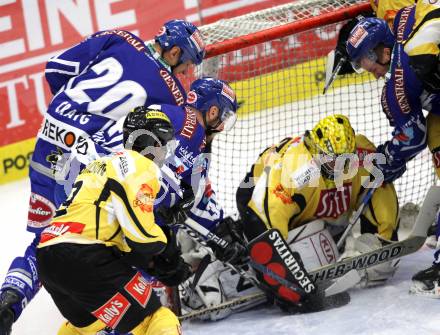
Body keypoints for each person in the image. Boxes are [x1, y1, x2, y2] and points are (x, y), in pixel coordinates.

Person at [0, 19, 206, 335]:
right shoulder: (174, 93)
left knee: (49, 235)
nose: (185, 73)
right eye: (187, 65)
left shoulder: (118, 37)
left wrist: (73, 117)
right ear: (175, 51)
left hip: (48, 146)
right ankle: (116, 323)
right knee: (107, 231)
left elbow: (55, 69)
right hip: (86, 160)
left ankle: (9, 299)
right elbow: (144, 127)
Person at [180, 114, 400, 318]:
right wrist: (294, 288)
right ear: (316, 151)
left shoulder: (362, 155)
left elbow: (379, 186)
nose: (339, 171)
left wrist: (383, 237)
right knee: (271, 259)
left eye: (344, 162)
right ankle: (209, 276)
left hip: (308, 207)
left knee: (321, 247)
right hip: (259, 195)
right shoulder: (295, 172)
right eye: (332, 163)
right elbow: (268, 234)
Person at [36, 108, 191, 335]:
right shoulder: (141, 165)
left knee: (86, 329)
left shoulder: (99, 165)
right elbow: (143, 237)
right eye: (164, 145)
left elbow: (118, 237)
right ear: (151, 140)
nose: (165, 153)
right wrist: (166, 253)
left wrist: (150, 262)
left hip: (49, 259)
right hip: (85, 256)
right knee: (157, 317)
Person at [327, 9, 440, 297]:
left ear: (382, 52)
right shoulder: (405, 17)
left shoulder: (398, 84)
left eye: (366, 61)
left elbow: (412, 138)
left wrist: (386, 161)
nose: (369, 70)